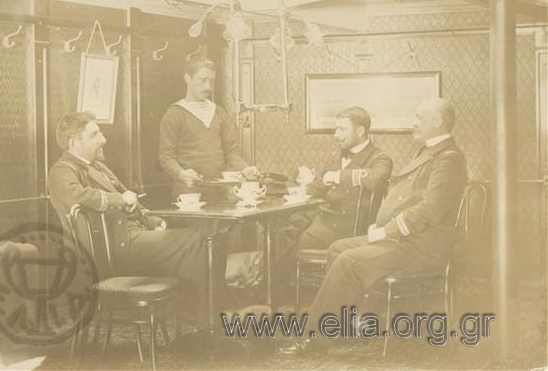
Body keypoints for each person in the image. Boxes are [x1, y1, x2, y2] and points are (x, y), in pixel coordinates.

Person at [280, 97, 468, 355]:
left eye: (418, 117)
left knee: (348, 260)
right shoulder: (428, 151)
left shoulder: (449, 158)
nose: (413, 122)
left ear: (437, 121)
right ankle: (345, 330)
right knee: (337, 248)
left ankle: (314, 338)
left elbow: (429, 210)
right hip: (406, 239)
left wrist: (385, 230)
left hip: (421, 246)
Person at [48, 111, 206, 314]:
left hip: (129, 240)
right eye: (94, 135)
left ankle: (197, 315)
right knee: (192, 240)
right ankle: (201, 319)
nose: (103, 140)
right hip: (110, 252)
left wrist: (153, 220)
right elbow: (77, 195)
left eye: (101, 133)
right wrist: (120, 200)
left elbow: (130, 199)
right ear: (73, 143)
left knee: (200, 241)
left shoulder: (99, 167)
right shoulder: (62, 170)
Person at [159, 56, 259, 200]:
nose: (208, 87)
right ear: (187, 78)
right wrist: (181, 173)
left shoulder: (219, 112)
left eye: (211, 81)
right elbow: (166, 157)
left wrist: (245, 168)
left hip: (219, 191)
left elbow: (231, 152)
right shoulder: (175, 113)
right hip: (189, 192)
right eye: (203, 80)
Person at [298, 107, 393, 249]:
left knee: (286, 241)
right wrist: (300, 189)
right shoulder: (336, 156)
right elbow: (321, 187)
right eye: (336, 129)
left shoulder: (380, 159)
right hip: (322, 221)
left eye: (342, 129)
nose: (336, 135)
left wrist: (338, 175)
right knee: (282, 228)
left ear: (360, 131)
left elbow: (375, 179)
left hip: (345, 231)